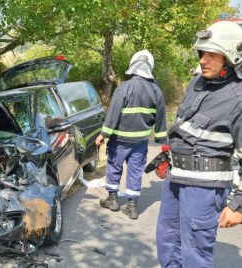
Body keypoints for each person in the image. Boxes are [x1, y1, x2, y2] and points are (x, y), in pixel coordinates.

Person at [156, 21, 242, 267]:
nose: (203, 60)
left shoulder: (238, 97)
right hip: (176, 179)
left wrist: (239, 205)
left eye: (212, 54)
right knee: (167, 243)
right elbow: (187, 128)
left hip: (204, 189)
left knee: (195, 256)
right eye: (201, 53)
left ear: (231, 57)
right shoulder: (197, 83)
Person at [95, 49, 167, 220]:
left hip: (119, 140)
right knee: (135, 171)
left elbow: (113, 113)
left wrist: (103, 134)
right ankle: (132, 207)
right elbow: (161, 118)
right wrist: (162, 140)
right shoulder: (156, 90)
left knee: (114, 166)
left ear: (132, 65)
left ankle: (113, 200)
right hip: (140, 142)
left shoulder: (124, 87)